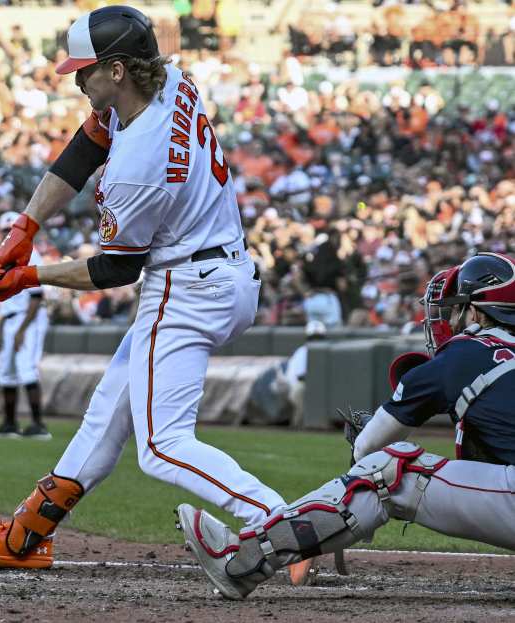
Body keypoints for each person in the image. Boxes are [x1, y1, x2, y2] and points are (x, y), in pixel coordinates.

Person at [0, 6, 309, 583]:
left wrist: (30, 276)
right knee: (107, 412)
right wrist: (27, 225)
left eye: (84, 70)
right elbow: (86, 146)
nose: (75, 79)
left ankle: (284, 521)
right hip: (219, 270)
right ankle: (28, 534)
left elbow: (116, 270)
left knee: (162, 446)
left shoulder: (138, 162)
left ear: (116, 70)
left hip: (186, 287)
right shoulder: (169, 82)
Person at [176, 252, 515, 600]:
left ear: (474, 311)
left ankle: (241, 561)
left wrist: (354, 479)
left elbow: (370, 450)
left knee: (388, 469)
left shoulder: (465, 352)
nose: (448, 320)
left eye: (453, 309)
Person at [0, 211, 51, 440]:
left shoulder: (31, 254)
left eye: (9, 230)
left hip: (28, 319)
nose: (6, 234)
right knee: (6, 373)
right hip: (11, 318)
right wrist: (0, 330)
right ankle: (9, 424)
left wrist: (21, 330)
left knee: (26, 369)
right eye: (3, 230)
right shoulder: (4, 258)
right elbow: (5, 301)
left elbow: (36, 296)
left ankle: (38, 425)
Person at [285, 320, 326, 425]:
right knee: (300, 390)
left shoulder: (326, 351)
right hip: (297, 387)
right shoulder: (302, 351)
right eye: (313, 338)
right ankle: (298, 426)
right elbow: (301, 377)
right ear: (308, 338)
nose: (316, 341)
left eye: (319, 338)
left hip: (314, 386)